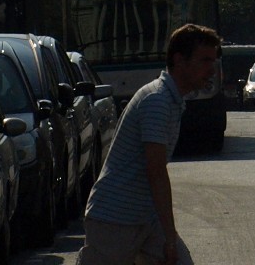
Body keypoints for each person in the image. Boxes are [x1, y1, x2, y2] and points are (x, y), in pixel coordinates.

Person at [81, 22, 222, 265]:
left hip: (144, 216)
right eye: (205, 60)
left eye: (213, 60)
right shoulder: (157, 101)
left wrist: (167, 233)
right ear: (179, 61)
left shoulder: (171, 99)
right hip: (114, 219)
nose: (212, 69)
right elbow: (155, 171)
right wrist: (169, 236)